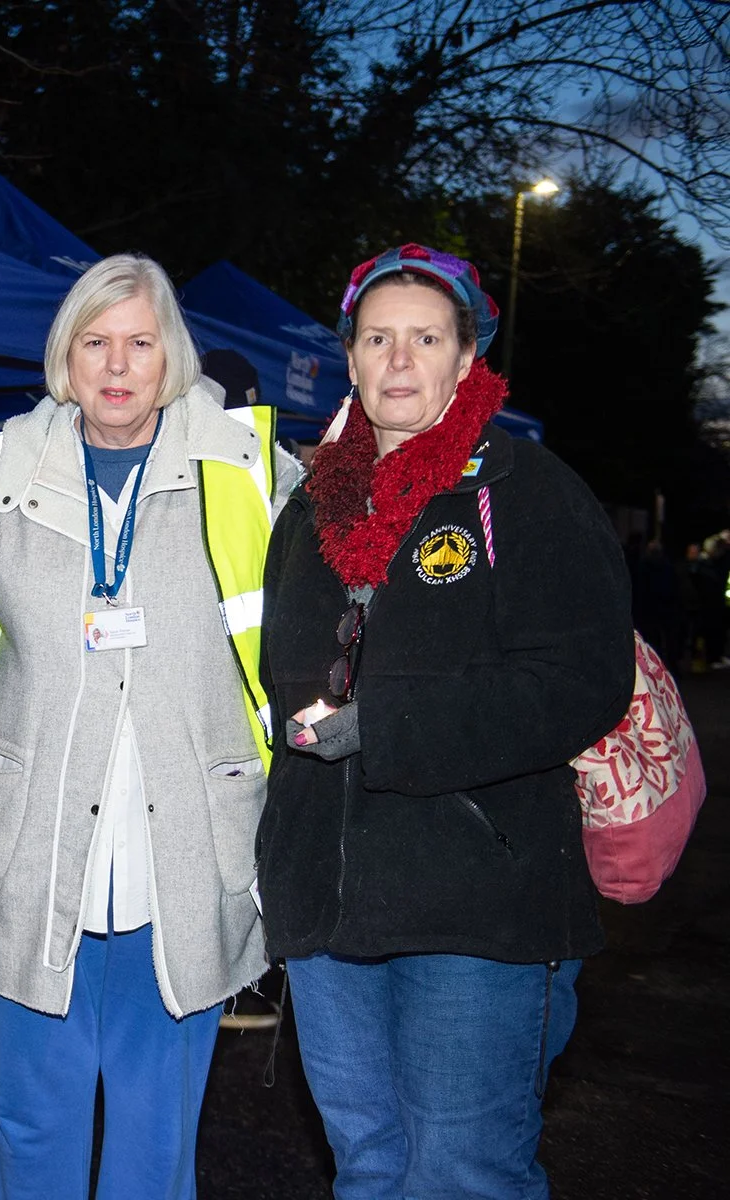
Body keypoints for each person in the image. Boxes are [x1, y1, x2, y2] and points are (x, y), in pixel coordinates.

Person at [257, 244, 634, 1199]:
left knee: (463, 1176)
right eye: (377, 338)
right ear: (348, 358)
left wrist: (385, 721)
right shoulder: (310, 506)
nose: (397, 359)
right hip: (331, 902)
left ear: (468, 359)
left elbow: (583, 681)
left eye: (425, 338)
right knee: (371, 1169)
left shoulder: (527, 489)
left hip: (478, 902)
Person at [0, 253, 299, 1199]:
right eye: (95, 343)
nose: (117, 365)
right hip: (35, 847)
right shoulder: (6, 469)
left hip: (181, 854)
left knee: (155, 1132)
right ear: (66, 358)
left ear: (171, 354)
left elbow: (328, 610)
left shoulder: (244, 473)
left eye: (139, 342)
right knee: (30, 1125)